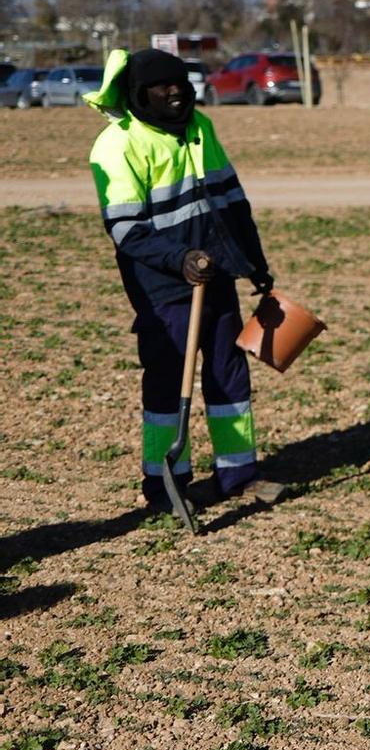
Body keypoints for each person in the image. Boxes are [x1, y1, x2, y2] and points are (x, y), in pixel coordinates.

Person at [87, 48, 280, 509]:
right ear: (139, 94)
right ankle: (165, 486)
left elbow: (233, 201)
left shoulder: (201, 128)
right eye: (161, 85)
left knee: (228, 374)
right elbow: (125, 229)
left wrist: (253, 261)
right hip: (163, 289)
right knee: (168, 383)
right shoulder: (118, 145)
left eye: (181, 82)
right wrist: (181, 259)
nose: (176, 91)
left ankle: (238, 475)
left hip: (216, 276)